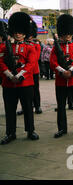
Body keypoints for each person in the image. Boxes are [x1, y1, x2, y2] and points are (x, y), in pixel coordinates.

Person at [0, 12, 39, 144]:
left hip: (25, 83)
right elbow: (1, 62)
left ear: (25, 32)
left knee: (28, 107)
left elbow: (31, 63)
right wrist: (10, 75)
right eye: (16, 31)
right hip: (8, 82)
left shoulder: (30, 47)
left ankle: (30, 130)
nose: (18, 34)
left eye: (21, 32)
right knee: (10, 109)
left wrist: (20, 75)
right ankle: (10, 133)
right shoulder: (5, 46)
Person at [50, 14, 73, 138]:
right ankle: (62, 129)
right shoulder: (56, 47)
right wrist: (61, 71)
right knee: (61, 106)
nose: (67, 37)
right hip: (61, 81)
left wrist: (71, 70)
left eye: (69, 34)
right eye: (65, 34)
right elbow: (53, 62)